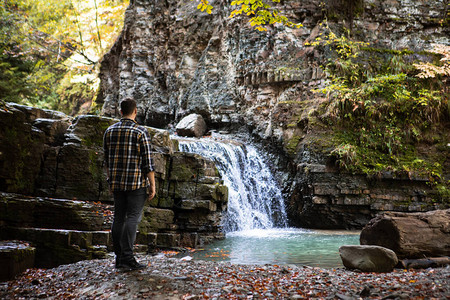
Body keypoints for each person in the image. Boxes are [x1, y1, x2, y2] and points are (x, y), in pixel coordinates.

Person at [103, 98, 156, 271]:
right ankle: (128, 258)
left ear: (120, 112)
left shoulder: (109, 131)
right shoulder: (140, 132)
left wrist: (111, 181)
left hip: (117, 183)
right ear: (135, 112)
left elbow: (107, 161)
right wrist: (152, 185)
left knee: (118, 218)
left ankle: (119, 258)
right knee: (132, 218)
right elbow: (148, 162)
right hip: (135, 184)